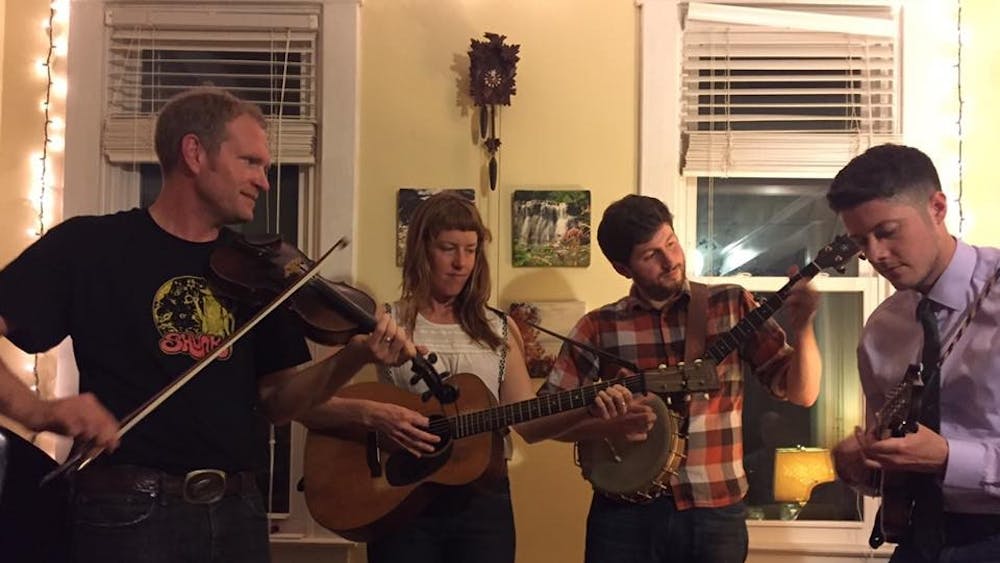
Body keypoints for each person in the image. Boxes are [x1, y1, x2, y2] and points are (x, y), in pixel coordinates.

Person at [0, 87, 414, 562]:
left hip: (238, 512)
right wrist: (37, 411)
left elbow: (278, 402)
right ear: (195, 153)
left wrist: (352, 357)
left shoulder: (260, 271)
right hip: (126, 513)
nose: (264, 182)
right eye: (251, 162)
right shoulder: (88, 246)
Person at [302, 192, 630, 563]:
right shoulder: (386, 322)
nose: (461, 263)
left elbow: (529, 423)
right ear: (421, 250)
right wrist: (373, 415)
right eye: (448, 249)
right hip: (401, 496)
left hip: (483, 503)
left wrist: (588, 406)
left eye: (471, 250)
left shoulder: (500, 329)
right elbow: (308, 403)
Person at [521, 194, 821, 563]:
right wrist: (605, 425)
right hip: (624, 514)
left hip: (715, 510)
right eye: (651, 255)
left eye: (671, 243)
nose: (671, 261)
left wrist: (804, 328)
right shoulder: (598, 327)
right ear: (622, 268)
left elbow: (802, 393)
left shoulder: (730, 305)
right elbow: (540, 422)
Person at [828, 144, 1000, 562]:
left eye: (887, 231)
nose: (874, 255)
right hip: (917, 537)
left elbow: (936, 456)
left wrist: (949, 458)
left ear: (937, 208)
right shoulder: (881, 330)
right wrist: (864, 465)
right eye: (861, 241)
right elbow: (894, 461)